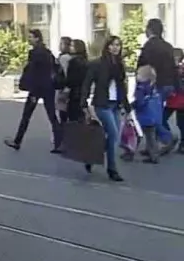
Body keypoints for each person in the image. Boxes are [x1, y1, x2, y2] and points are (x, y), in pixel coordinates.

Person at [5, 29, 63, 153]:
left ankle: (17, 141)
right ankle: (59, 143)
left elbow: (33, 73)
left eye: (31, 37)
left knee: (26, 116)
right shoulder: (48, 53)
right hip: (49, 87)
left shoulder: (34, 53)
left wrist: (31, 89)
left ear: (37, 38)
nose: (29, 39)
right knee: (52, 116)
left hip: (37, 89)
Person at [80, 35, 128, 182]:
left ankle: (91, 158)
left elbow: (121, 87)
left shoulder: (119, 65)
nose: (115, 48)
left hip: (115, 104)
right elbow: (87, 83)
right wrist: (84, 103)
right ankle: (112, 169)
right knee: (113, 135)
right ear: (107, 47)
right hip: (102, 104)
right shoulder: (97, 64)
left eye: (118, 45)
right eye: (113, 45)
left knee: (112, 137)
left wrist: (127, 106)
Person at [136, 18, 177, 149]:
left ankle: (167, 138)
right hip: (168, 84)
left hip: (153, 85)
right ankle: (152, 147)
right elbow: (173, 67)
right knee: (154, 114)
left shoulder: (149, 46)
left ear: (149, 30)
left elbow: (143, 66)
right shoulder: (168, 46)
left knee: (150, 116)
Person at [129, 65, 164, 164]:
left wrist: (132, 106)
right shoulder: (153, 86)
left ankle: (152, 156)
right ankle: (152, 152)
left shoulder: (141, 87)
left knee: (142, 135)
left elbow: (140, 102)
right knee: (151, 136)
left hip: (145, 116)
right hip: (154, 115)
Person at [65, 39, 89, 122]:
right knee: (81, 116)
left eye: (72, 46)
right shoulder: (86, 61)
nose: (70, 48)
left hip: (74, 93)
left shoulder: (73, 62)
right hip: (84, 92)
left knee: (72, 116)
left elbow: (70, 80)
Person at [55, 36, 73, 123]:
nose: (59, 45)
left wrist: (66, 87)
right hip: (66, 87)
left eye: (61, 43)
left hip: (63, 88)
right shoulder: (69, 57)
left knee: (63, 112)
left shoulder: (64, 58)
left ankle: (63, 133)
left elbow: (66, 73)